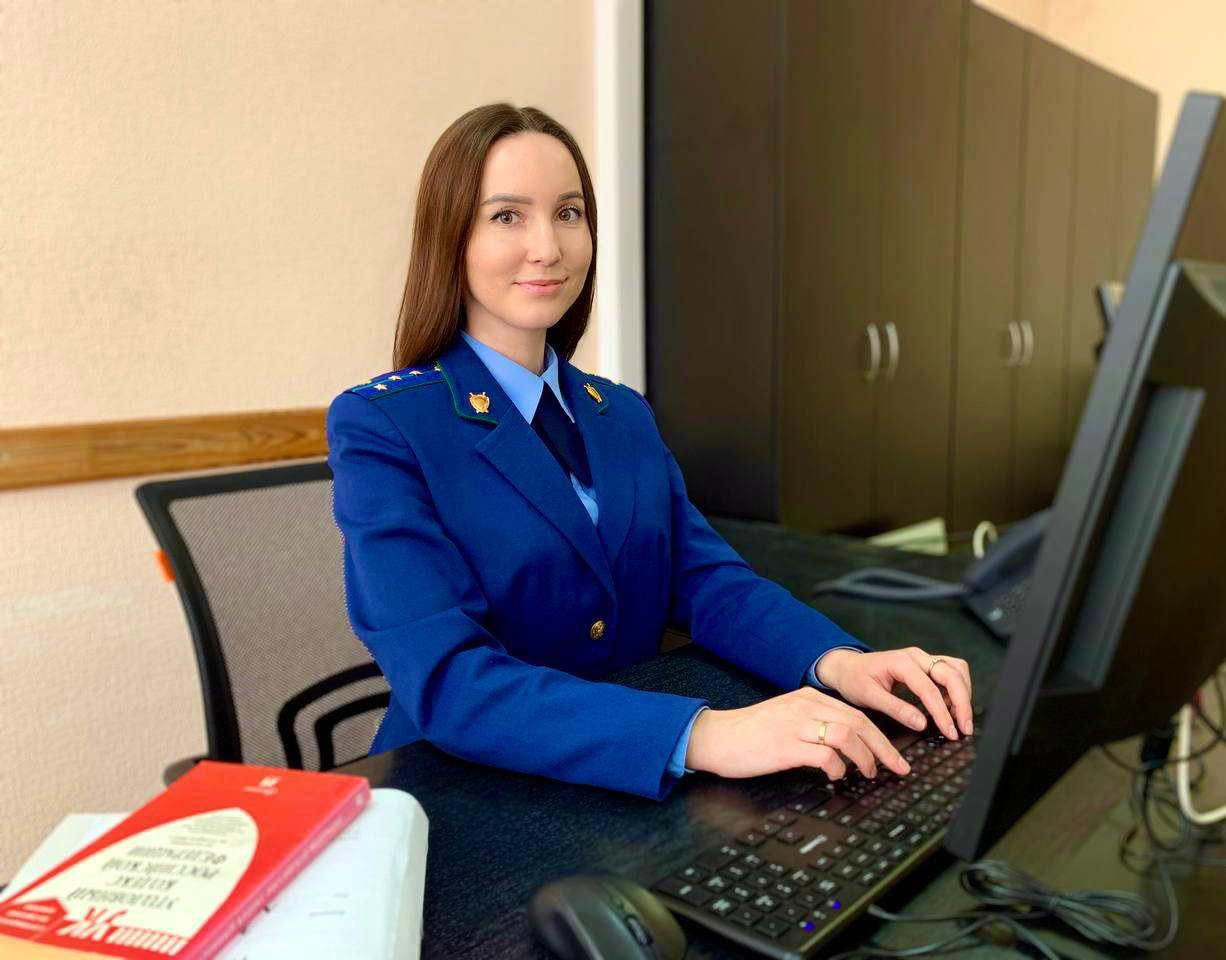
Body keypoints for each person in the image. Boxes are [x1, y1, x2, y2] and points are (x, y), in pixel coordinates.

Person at [326, 103, 973, 801]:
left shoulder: (621, 413)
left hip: (623, 792)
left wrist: (839, 661)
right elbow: (451, 683)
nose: (548, 247)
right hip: (463, 796)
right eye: (507, 216)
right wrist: (703, 735)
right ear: (451, 236)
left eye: (568, 213)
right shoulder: (385, 425)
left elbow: (706, 580)